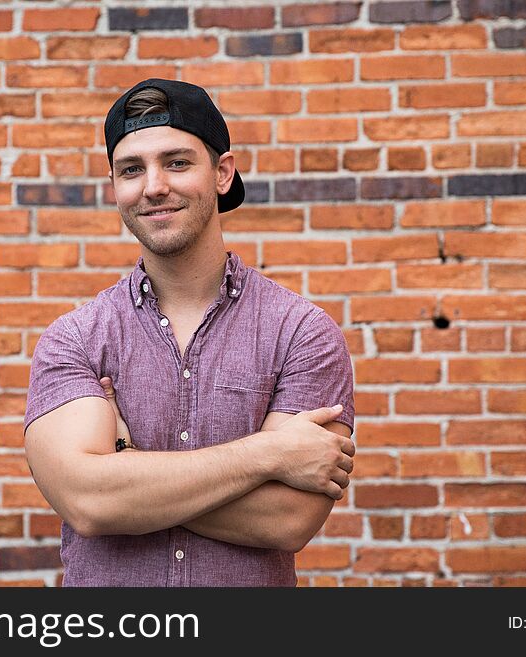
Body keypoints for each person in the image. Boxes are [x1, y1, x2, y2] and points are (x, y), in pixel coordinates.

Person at [23, 78, 355, 586]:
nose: (154, 186)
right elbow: (89, 503)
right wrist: (267, 454)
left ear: (223, 173)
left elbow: (287, 519)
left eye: (177, 162)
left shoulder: (302, 334)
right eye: (132, 169)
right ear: (115, 186)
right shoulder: (76, 339)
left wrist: (128, 474)